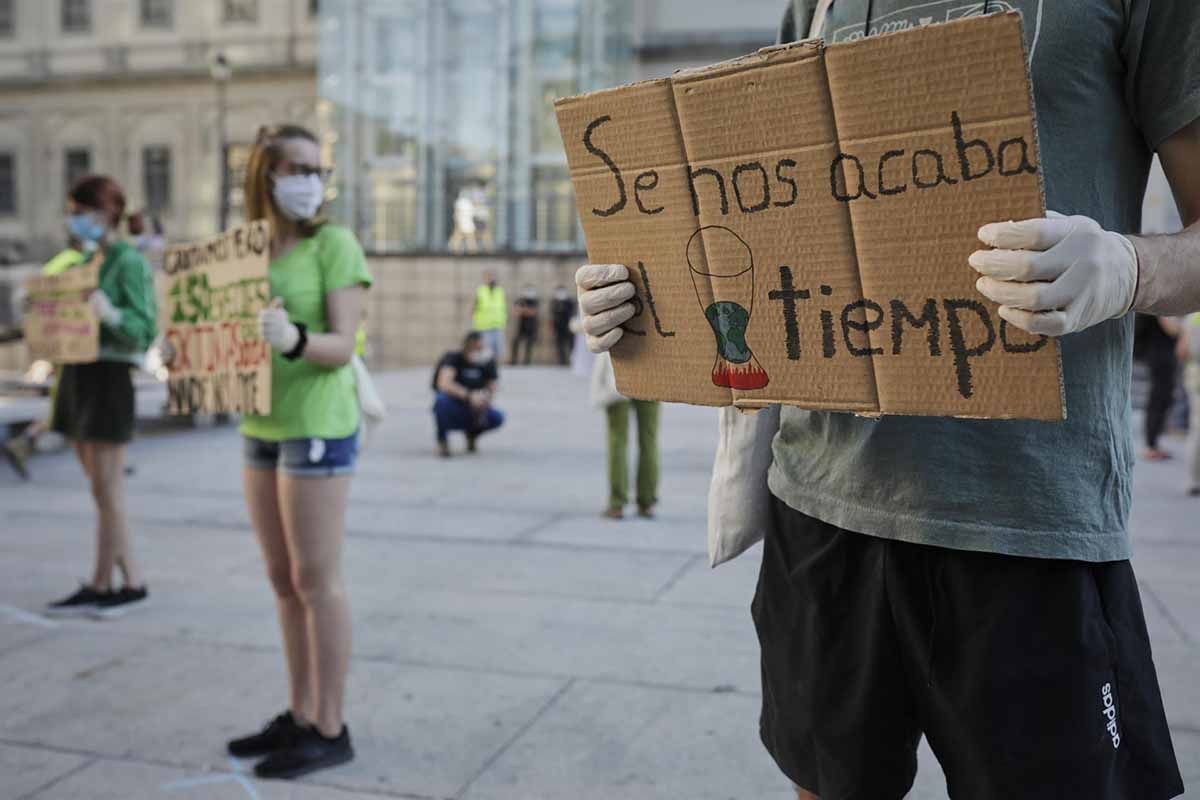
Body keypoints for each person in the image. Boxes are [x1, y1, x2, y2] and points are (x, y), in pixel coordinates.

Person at [577, 1, 1199, 797]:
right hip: (819, 505)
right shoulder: (817, 3)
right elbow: (760, 223)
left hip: (1028, 522)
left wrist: (1128, 268)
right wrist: (646, 297)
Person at [222, 124, 371, 780]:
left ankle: (330, 726)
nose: (311, 179)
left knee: (317, 580)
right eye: (298, 166)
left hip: (316, 424)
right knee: (283, 581)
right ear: (266, 174)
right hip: (261, 424)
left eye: (319, 168)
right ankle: (300, 710)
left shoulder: (334, 244)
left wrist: (292, 339)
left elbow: (344, 344)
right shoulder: (242, 255)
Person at [44, 175, 157, 619]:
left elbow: (142, 326)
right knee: (101, 492)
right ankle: (110, 581)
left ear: (105, 213)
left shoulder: (128, 261)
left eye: (80, 210)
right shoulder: (88, 258)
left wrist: (108, 313)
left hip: (109, 375)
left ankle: (123, 582)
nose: (74, 220)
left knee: (108, 491)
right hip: (77, 372)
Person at [592, 352, 659, 519]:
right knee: (648, 440)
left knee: (617, 440)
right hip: (651, 372)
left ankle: (617, 503)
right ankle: (647, 502)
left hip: (618, 371)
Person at [432, 332, 504, 457]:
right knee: (441, 401)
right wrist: (469, 395)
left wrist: (485, 400)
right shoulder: (453, 358)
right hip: (455, 404)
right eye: (478, 347)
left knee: (497, 417)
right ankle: (442, 439)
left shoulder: (487, 361)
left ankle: (472, 434)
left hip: (475, 407)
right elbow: (443, 383)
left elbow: (492, 387)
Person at [1136, 313, 1181, 460]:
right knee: (1158, 399)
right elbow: (1171, 328)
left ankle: (1153, 444)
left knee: (1161, 398)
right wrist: (1186, 329)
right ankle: (1151, 446)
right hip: (1160, 355)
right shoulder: (1159, 302)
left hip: (1159, 353)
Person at [1180, 313, 1200, 496]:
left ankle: (1193, 480)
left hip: (1195, 377)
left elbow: (1182, 351)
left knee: (1196, 429)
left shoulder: (1193, 316)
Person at [471, 270, 507, 363]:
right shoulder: (481, 290)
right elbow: (474, 307)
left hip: (498, 324)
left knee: (498, 350)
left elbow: (502, 307)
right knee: (486, 350)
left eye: (492, 277)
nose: (490, 279)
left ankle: (493, 368)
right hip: (484, 325)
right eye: (488, 277)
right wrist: (474, 320)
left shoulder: (500, 290)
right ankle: (485, 366)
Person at [510, 285, 540, 366]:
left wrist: (523, 310)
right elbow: (516, 311)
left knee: (529, 344)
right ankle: (513, 360)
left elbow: (533, 312)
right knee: (515, 342)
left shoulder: (535, 301)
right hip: (520, 326)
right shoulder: (520, 300)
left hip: (531, 326)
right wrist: (525, 310)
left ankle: (527, 361)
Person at [551, 284, 576, 366]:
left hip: (568, 326)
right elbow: (553, 314)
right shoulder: (554, 301)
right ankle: (562, 361)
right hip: (558, 327)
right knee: (559, 345)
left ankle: (572, 361)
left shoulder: (569, 301)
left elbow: (572, 313)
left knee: (570, 344)